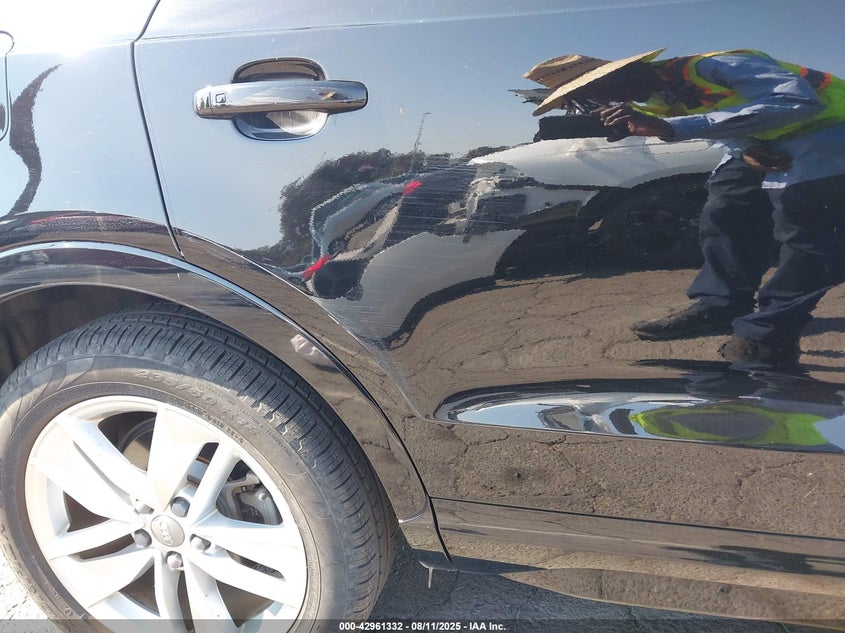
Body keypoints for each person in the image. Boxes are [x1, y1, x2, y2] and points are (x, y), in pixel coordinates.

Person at [525, 49, 845, 366]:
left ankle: (769, 333)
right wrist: (746, 148)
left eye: (597, 90)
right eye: (586, 99)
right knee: (724, 213)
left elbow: (798, 102)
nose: (600, 102)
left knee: (808, 233)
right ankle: (721, 306)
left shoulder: (718, 66)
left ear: (621, 72)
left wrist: (668, 127)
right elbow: (721, 127)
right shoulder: (648, 97)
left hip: (829, 131)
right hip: (764, 141)